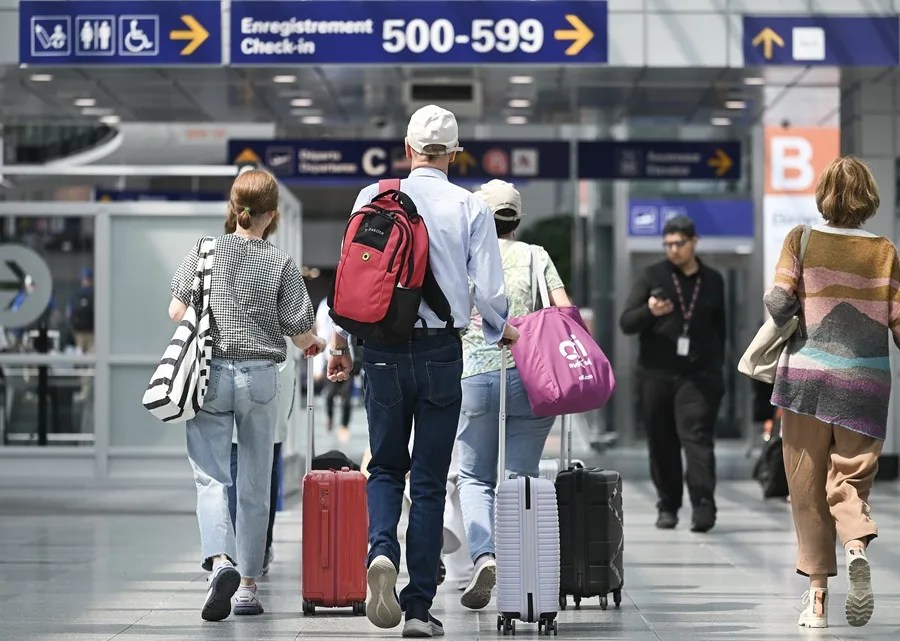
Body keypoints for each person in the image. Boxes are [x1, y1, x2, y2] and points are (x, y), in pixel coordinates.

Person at [326, 105, 516, 638]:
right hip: (440, 353)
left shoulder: (373, 198)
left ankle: (380, 553)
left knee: (386, 467)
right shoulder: (469, 208)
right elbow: (490, 293)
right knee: (430, 482)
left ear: (408, 149)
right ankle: (416, 609)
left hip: (382, 349)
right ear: (454, 154)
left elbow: (351, 282)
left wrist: (341, 342)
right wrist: (504, 330)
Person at [168, 169, 325, 622]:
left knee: (212, 477)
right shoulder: (280, 263)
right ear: (271, 215)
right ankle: (249, 588)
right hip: (260, 380)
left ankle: (220, 562)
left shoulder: (203, 251)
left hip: (210, 375)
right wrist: (314, 344)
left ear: (234, 207)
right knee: (256, 485)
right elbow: (299, 331)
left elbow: (176, 309)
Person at [765, 156, 897, 629]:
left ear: (824, 194)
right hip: (865, 385)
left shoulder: (801, 239)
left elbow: (780, 303)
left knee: (806, 488)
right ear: (869, 198)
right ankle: (857, 544)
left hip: (807, 383)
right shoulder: (885, 250)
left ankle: (817, 600)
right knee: (850, 479)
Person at [454, 180, 571, 610]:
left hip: (475, 376)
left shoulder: (466, 257)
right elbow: (564, 308)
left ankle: (485, 555)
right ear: (517, 220)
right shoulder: (536, 255)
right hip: (533, 377)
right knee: (521, 480)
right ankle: (521, 571)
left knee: (473, 477)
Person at [619, 215, 726, 533]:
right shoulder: (652, 275)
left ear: (694, 242)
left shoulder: (713, 280)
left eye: (679, 243)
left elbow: (722, 331)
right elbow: (626, 322)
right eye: (667, 245)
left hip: (698, 376)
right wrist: (649, 311)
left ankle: (703, 506)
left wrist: (717, 372)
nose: (673, 250)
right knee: (661, 442)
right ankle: (668, 505)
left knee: (697, 439)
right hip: (656, 374)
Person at [227, 339, 298, 577]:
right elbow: (302, 327)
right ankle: (260, 551)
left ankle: (235, 551)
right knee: (269, 456)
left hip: (229, 364)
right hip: (274, 367)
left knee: (234, 459)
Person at [315, 298, 354, 440]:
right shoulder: (324, 306)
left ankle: (344, 425)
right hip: (329, 355)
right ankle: (330, 418)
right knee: (330, 395)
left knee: (347, 397)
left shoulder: (350, 301)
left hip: (349, 355)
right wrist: (317, 367)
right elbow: (320, 333)